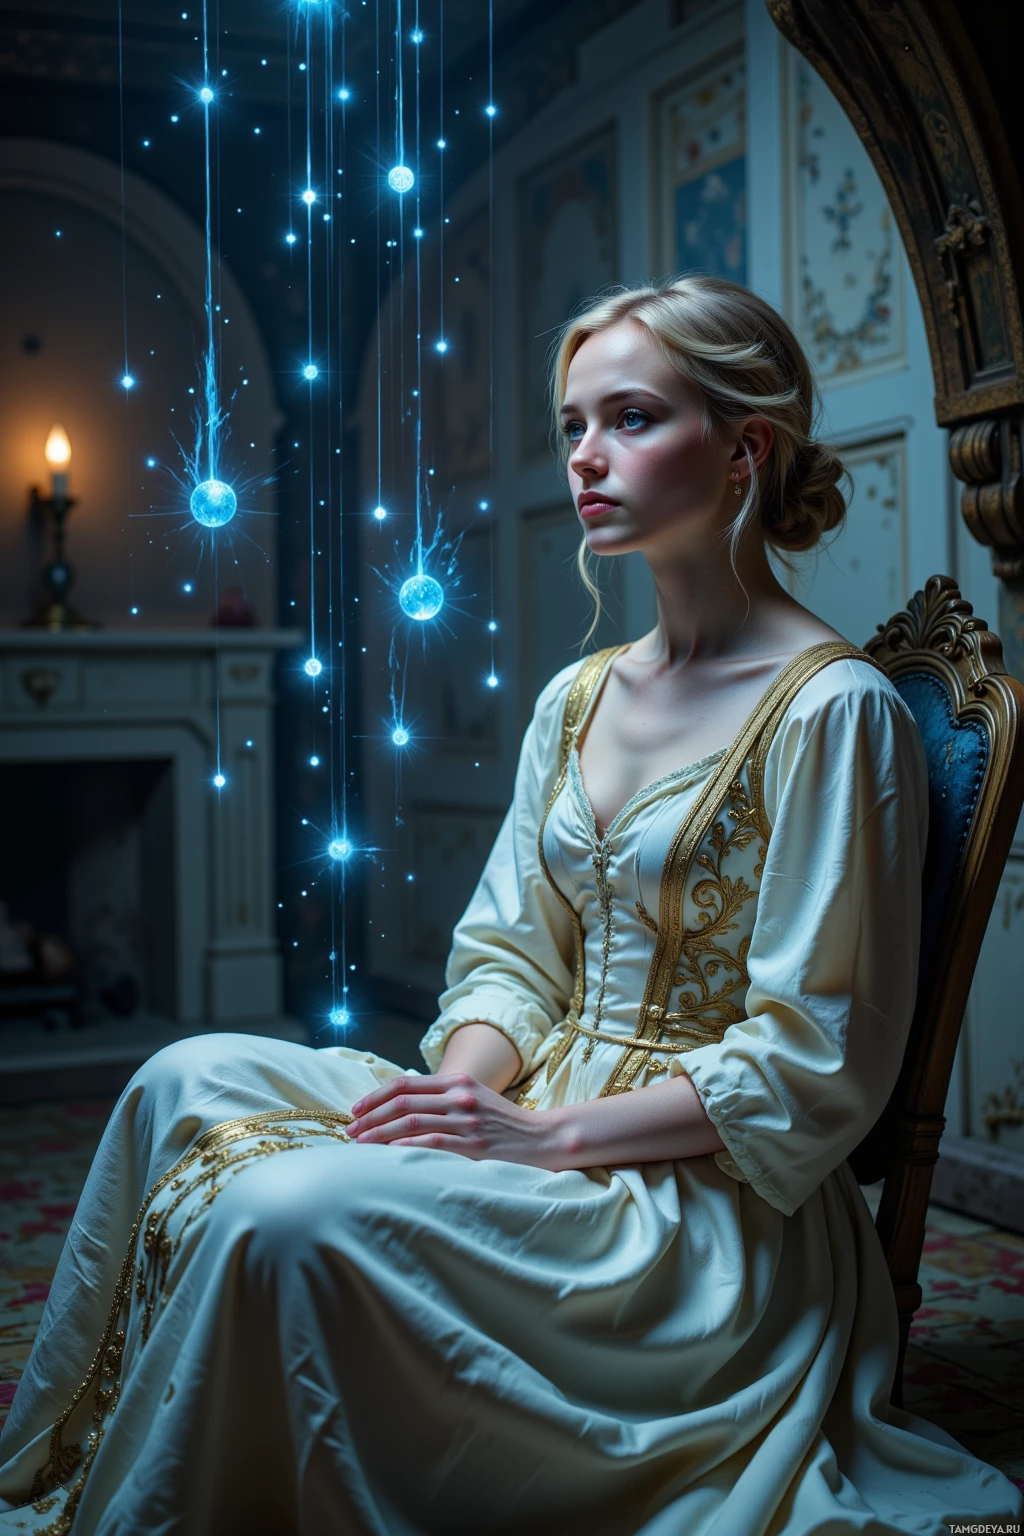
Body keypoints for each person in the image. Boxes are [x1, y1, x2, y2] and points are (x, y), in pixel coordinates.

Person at [1, 275, 1020, 1536]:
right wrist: (463, 1099)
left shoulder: (833, 712)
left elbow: (817, 1061)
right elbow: (506, 960)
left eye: (631, 419)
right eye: (573, 425)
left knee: (278, 1210)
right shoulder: (577, 697)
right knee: (182, 1078)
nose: (586, 457)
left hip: (693, 1209)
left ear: (745, 446)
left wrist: (540, 1141)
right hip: (534, 1105)